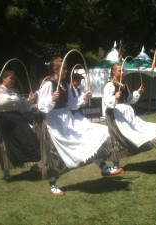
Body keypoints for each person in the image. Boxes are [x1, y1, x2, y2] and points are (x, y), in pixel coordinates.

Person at [38, 57, 123, 196]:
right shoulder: (48, 84)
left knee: (86, 139)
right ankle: (53, 184)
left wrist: (83, 97)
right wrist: (51, 99)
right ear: (55, 69)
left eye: (66, 68)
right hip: (53, 122)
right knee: (54, 154)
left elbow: (71, 104)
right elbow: (42, 107)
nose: (66, 71)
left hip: (67, 119)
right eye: (63, 68)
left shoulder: (65, 85)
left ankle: (104, 167)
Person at [103, 63, 156, 160]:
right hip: (116, 116)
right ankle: (115, 166)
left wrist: (138, 92)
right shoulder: (109, 85)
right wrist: (114, 98)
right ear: (113, 72)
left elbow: (129, 99)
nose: (122, 72)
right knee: (117, 140)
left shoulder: (124, 85)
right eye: (119, 70)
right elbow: (105, 101)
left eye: (123, 70)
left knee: (143, 128)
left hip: (127, 114)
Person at [0, 70, 41, 181]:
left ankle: (33, 165)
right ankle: (7, 171)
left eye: (14, 79)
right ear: (4, 79)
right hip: (4, 120)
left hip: (17, 119)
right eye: (11, 78)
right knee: (5, 146)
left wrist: (29, 101)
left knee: (28, 139)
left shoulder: (15, 91)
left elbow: (22, 106)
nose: (13, 81)